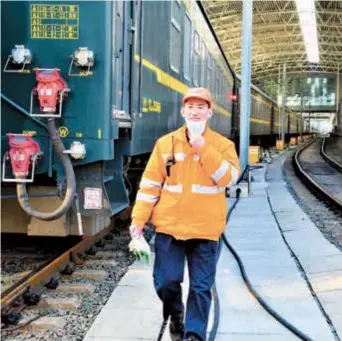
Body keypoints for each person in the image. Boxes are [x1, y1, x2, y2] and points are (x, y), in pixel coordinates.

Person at [129, 87, 240, 341]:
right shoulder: (165, 144)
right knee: (167, 282)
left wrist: (203, 147)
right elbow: (149, 186)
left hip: (206, 229)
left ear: (210, 112)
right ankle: (176, 313)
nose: (195, 112)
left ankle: (194, 335)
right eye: (190, 107)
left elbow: (228, 179)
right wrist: (138, 221)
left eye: (201, 107)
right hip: (170, 227)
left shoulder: (223, 146)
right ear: (182, 111)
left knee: (201, 288)